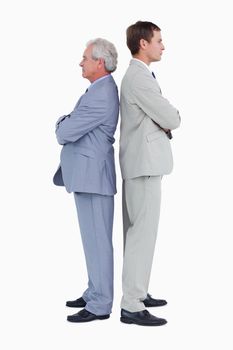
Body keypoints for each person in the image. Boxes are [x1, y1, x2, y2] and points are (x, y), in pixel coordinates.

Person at [119, 21, 181, 326]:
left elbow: (159, 116)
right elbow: (170, 116)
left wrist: (162, 119)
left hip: (141, 164)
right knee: (141, 236)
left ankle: (137, 293)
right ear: (143, 43)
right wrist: (169, 119)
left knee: (140, 235)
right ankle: (131, 304)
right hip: (143, 165)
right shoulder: (139, 77)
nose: (162, 45)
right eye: (158, 40)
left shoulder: (140, 76)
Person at [53, 38, 119, 323]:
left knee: (98, 242)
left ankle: (100, 304)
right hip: (88, 177)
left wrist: (61, 122)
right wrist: (67, 121)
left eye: (85, 58)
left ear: (99, 62)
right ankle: (95, 291)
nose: (81, 63)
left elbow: (64, 132)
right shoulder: (97, 90)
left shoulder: (102, 93)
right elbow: (71, 125)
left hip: (94, 178)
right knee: (92, 241)